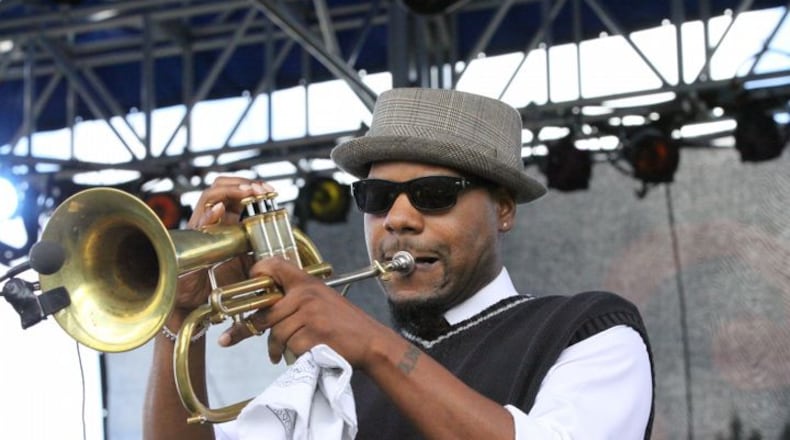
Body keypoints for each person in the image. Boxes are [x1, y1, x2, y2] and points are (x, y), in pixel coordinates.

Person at [143, 87, 654, 439]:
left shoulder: (588, 331)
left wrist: (371, 346)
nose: (398, 219)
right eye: (378, 196)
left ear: (502, 209)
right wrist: (179, 320)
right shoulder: (339, 371)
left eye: (434, 194)